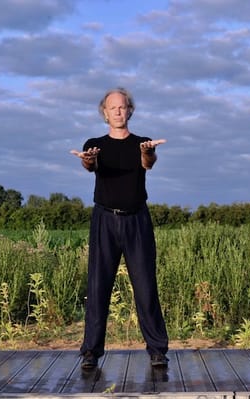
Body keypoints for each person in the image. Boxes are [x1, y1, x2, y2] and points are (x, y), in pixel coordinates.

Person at [70, 87, 169, 370]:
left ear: (130, 111)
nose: (118, 111)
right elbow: (90, 165)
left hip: (137, 220)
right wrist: (88, 160)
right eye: (112, 108)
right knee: (98, 286)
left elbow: (147, 163)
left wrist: (148, 153)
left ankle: (157, 351)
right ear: (104, 112)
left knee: (146, 287)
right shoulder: (94, 144)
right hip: (105, 220)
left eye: (122, 107)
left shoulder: (143, 144)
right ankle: (90, 352)